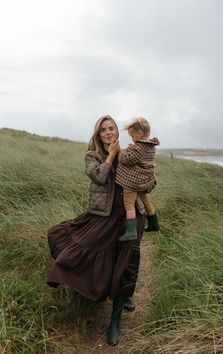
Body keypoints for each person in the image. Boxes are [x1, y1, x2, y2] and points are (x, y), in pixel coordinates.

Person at [47, 115, 146, 346]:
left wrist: (142, 178)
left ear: (117, 132)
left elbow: (150, 181)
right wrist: (111, 156)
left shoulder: (131, 153)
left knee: (125, 265)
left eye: (112, 128)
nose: (109, 132)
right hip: (104, 218)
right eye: (104, 130)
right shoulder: (92, 156)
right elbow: (100, 177)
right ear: (98, 134)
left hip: (133, 217)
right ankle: (93, 291)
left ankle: (115, 320)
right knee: (80, 246)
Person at [116, 117, 160, 242]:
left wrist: (122, 152)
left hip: (133, 181)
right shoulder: (150, 145)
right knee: (145, 200)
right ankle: (154, 224)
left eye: (132, 136)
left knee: (129, 205)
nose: (132, 139)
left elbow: (128, 160)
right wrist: (132, 148)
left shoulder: (140, 147)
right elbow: (139, 157)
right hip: (143, 181)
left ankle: (130, 231)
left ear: (140, 133)